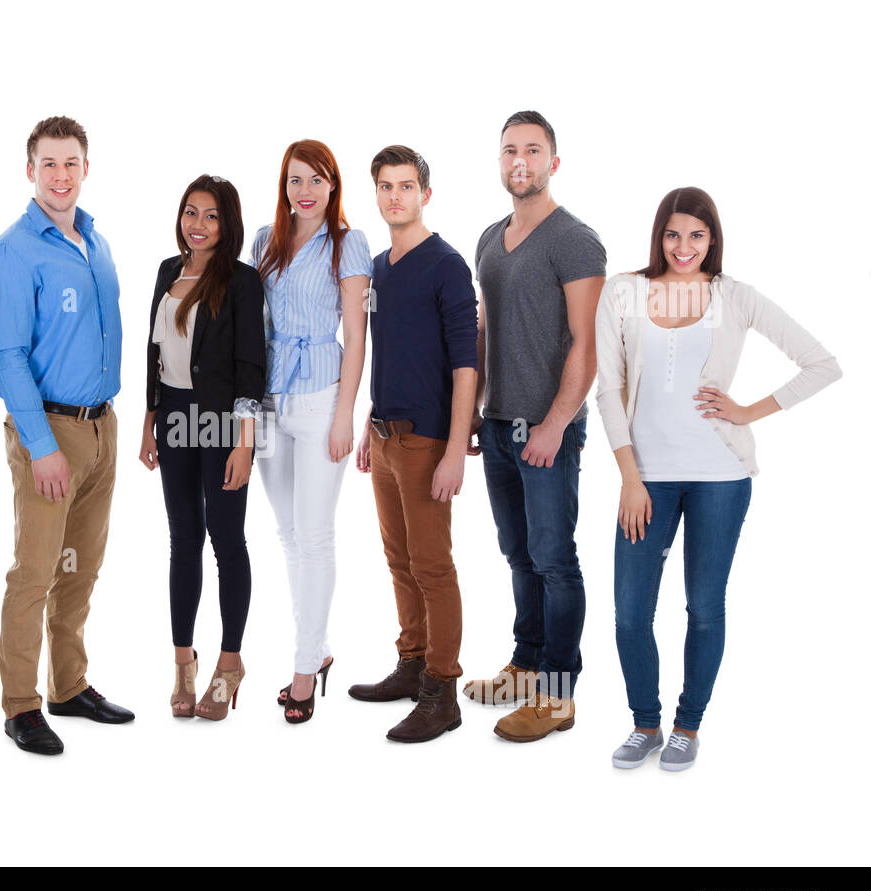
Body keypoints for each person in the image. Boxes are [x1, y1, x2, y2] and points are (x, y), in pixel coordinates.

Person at [596, 187, 840, 771]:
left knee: (704, 606)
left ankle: (687, 726)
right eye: (674, 234)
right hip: (646, 479)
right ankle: (644, 723)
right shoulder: (624, 291)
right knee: (631, 612)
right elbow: (609, 388)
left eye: (697, 236)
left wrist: (749, 410)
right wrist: (630, 477)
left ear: (713, 240)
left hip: (720, 477)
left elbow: (823, 364)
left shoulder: (734, 297)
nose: (684, 247)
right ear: (659, 236)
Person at [0, 116, 132, 756]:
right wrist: (42, 446)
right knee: (35, 572)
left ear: (85, 168)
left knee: (81, 568)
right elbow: (7, 357)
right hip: (51, 432)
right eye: (49, 163)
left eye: (71, 163)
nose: (61, 175)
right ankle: (21, 705)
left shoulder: (94, 240)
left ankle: (69, 685)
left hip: (103, 426)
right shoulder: (12, 252)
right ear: (30, 170)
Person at [465, 111, 607, 742]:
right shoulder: (489, 239)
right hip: (497, 424)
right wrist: (473, 408)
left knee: (555, 560)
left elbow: (587, 343)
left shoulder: (575, 240)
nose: (519, 161)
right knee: (518, 555)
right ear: (500, 163)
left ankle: (557, 694)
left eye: (532, 150)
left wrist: (556, 423)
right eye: (509, 151)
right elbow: (485, 329)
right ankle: (525, 666)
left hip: (547, 429)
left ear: (554, 161)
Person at [350, 146, 478, 743]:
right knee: (398, 560)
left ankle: (442, 691)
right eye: (385, 186)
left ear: (425, 193)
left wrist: (455, 448)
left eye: (406, 186)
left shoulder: (446, 265)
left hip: (428, 440)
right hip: (385, 436)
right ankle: (412, 663)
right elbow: (393, 351)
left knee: (432, 566)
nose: (395, 196)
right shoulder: (378, 266)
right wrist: (372, 420)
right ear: (375, 193)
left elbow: (463, 364)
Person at [251, 139, 371, 725]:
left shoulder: (349, 245)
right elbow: (253, 327)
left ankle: (303, 668)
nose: (306, 191)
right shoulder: (263, 241)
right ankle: (317, 647)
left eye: (316, 180)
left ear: (332, 186)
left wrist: (346, 412)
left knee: (316, 533)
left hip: (323, 395)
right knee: (288, 533)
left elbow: (356, 334)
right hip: (272, 398)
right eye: (296, 180)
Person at [138, 175, 266, 720]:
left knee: (226, 538)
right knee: (182, 539)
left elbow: (250, 365)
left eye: (211, 215)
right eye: (191, 212)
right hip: (172, 417)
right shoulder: (169, 271)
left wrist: (245, 442)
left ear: (227, 223)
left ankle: (230, 660)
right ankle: (183, 662)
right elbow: (153, 351)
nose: (198, 224)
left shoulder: (241, 280)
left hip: (219, 421)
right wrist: (150, 419)